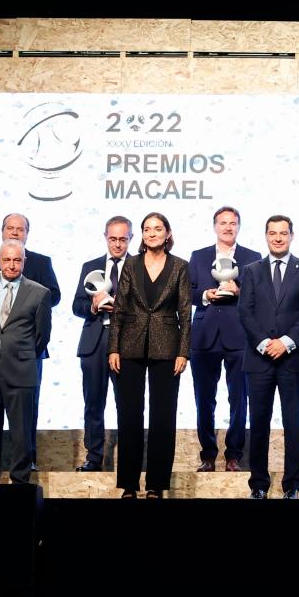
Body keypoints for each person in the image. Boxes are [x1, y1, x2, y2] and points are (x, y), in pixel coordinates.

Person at [108, 212, 191, 498]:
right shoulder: (130, 264)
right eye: (146, 229)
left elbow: (185, 313)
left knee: (163, 417)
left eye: (157, 229)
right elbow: (119, 308)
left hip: (167, 347)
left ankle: (156, 484)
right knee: (129, 415)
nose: (152, 233)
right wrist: (113, 348)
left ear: (168, 233)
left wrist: (183, 351)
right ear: (142, 235)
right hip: (129, 345)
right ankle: (129, 484)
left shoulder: (180, 266)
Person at [0, 212, 61, 472]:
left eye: (20, 229)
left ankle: (24, 466)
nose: (14, 232)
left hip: (25, 353)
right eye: (10, 228)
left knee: (24, 415)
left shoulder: (40, 262)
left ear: (27, 234)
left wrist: (24, 344)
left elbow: (53, 298)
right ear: (2, 231)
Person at [239, 215, 299, 499]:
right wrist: (264, 343)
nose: (278, 238)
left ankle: (293, 485)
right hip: (258, 359)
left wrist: (285, 343)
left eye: (283, 233)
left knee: (293, 424)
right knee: (258, 423)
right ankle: (258, 485)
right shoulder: (251, 270)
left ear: (291, 236)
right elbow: (245, 311)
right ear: (266, 236)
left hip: (293, 360)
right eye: (273, 233)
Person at [187, 206, 261, 472]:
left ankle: (234, 455)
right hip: (204, 335)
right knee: (203, 399)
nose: (228, 227)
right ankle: (207, 454)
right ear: (214, 226)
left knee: (239, 398)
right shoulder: (199, 256)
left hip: (239, 335)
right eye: (223, 223)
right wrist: (205, 295)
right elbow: (187, 293)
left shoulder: (252, 257)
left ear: (238, 227)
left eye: (233, 223)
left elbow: (260, 295)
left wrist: (240, 291)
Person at [70, 216, 133, 472]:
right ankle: (93, 458)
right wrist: (93, 306)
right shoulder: (90, 267)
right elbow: (76, 306)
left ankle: (128, 459)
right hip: (94, 342)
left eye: (123, 239)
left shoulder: (139, 267)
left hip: (127, 343)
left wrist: (122, 306)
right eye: (113, 239)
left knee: (127, 404)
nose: (117, 244)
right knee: (93, 402)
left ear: (131, 239)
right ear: (105, 237)